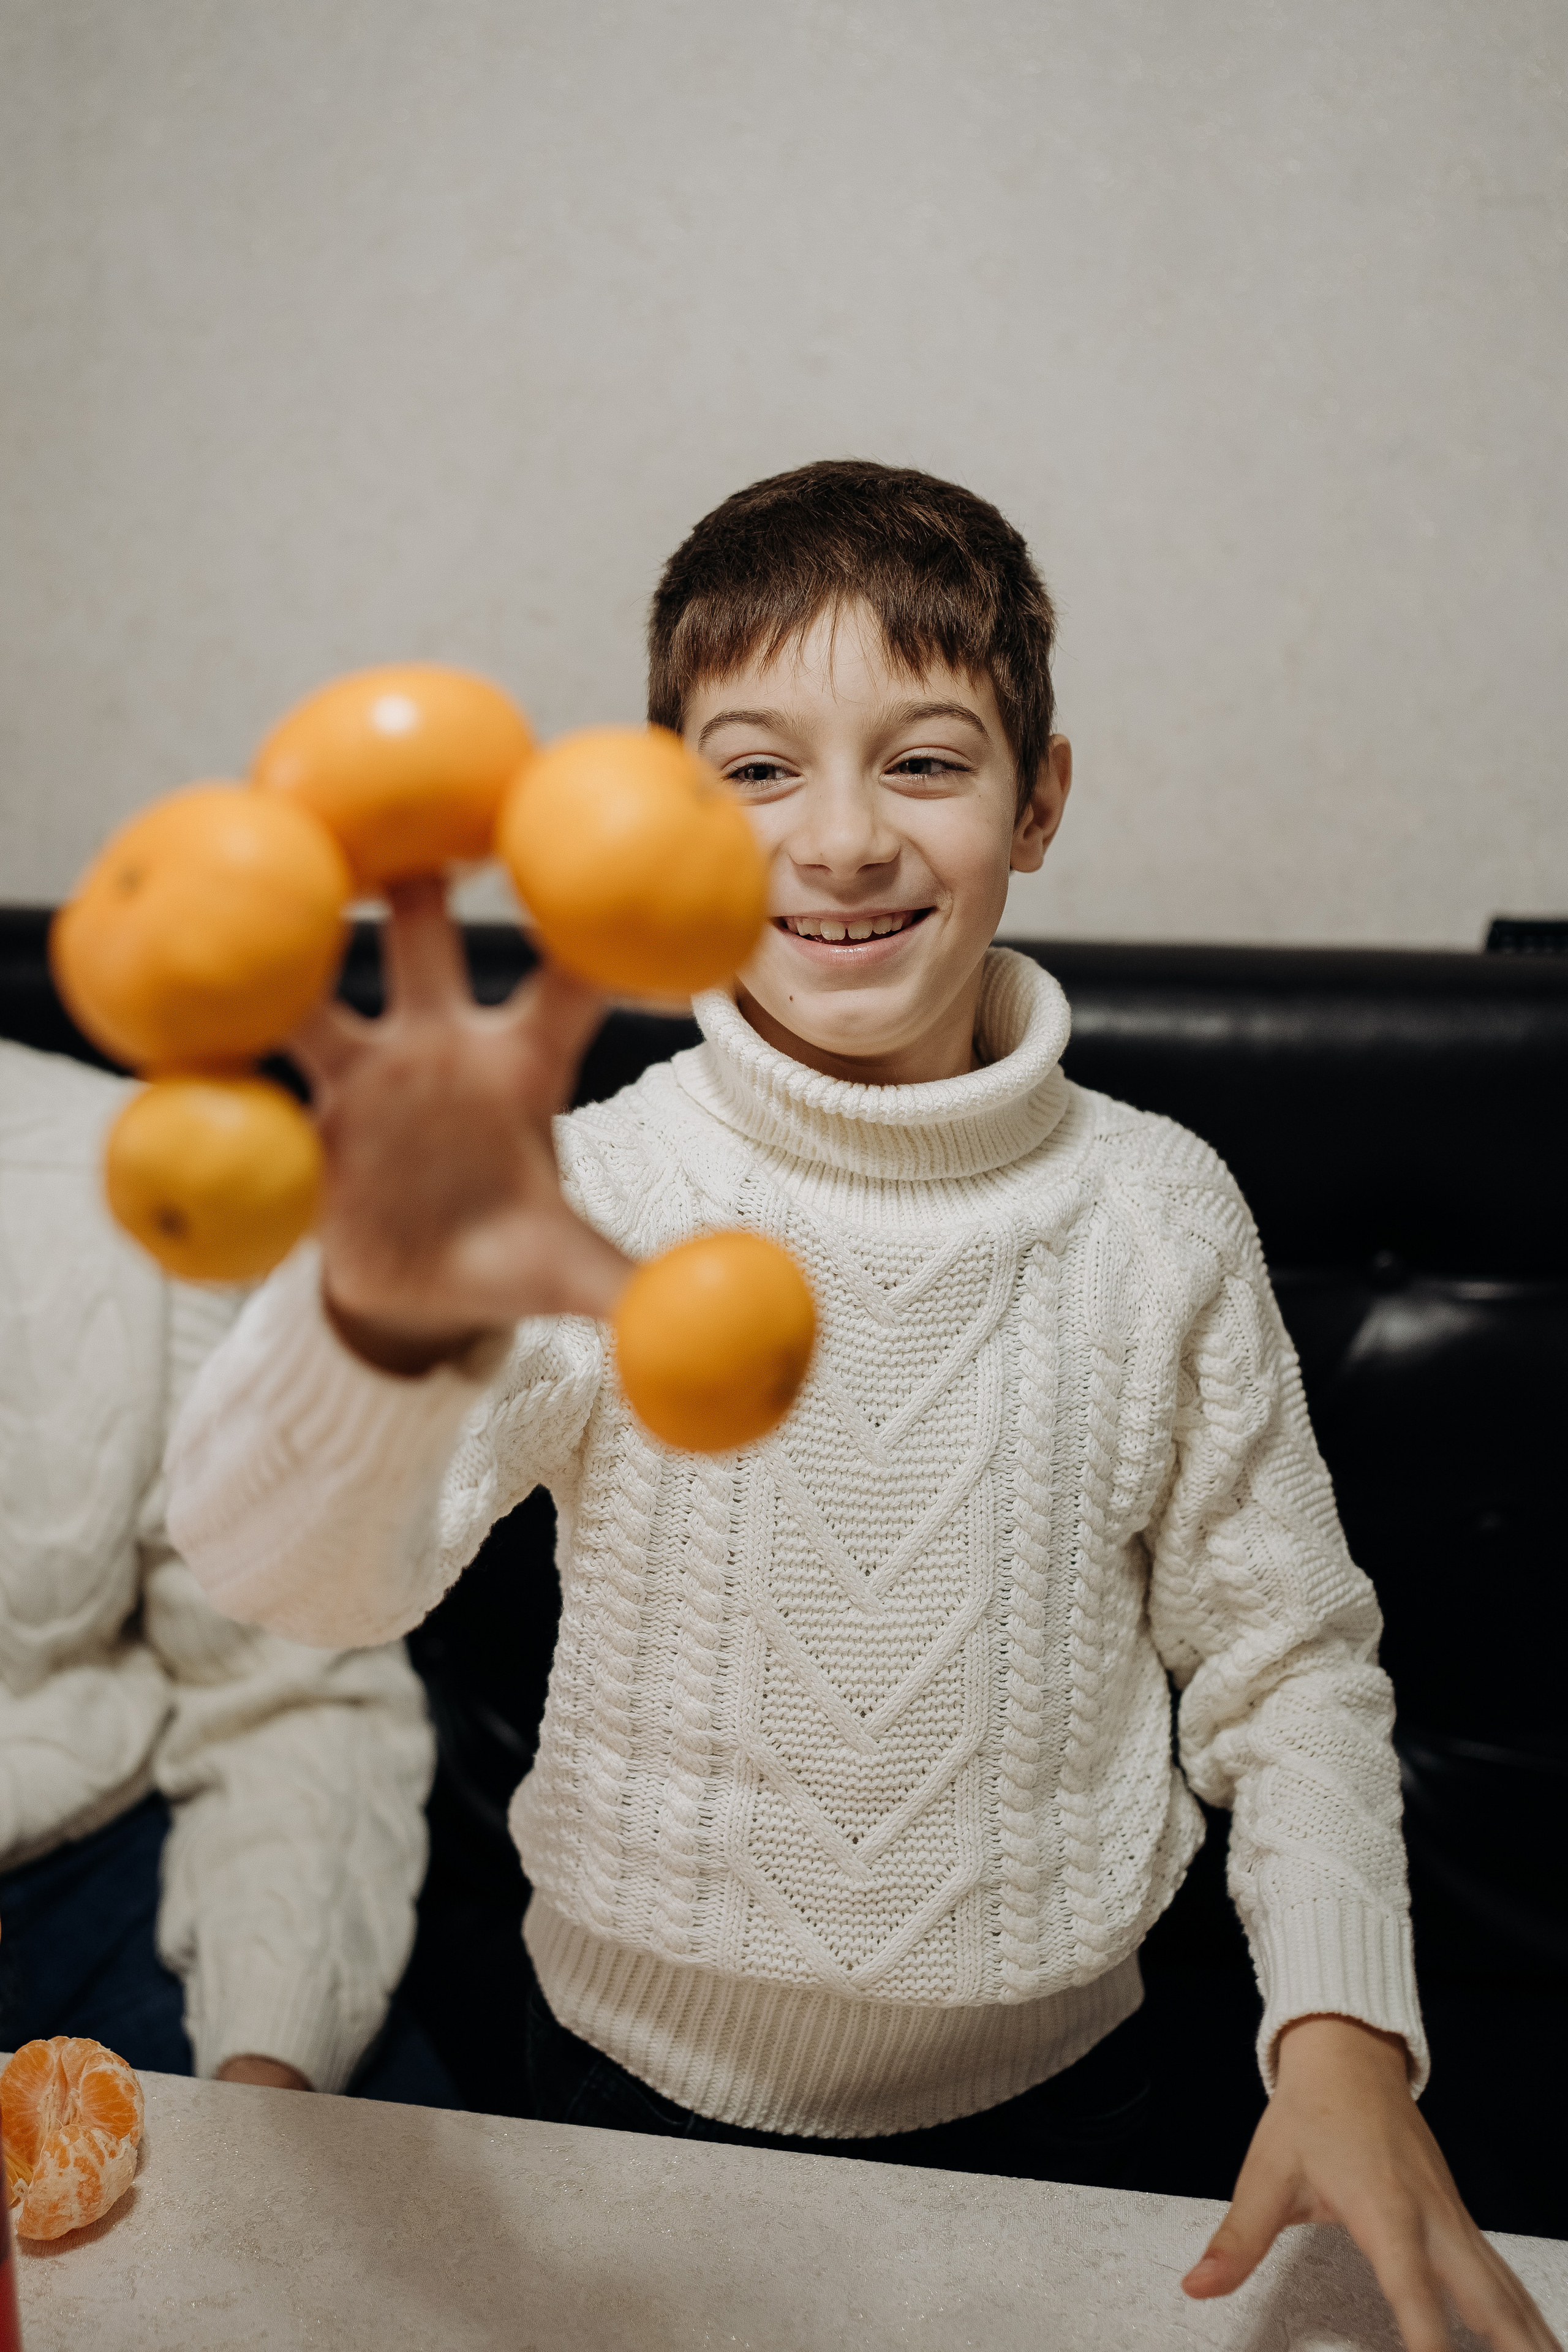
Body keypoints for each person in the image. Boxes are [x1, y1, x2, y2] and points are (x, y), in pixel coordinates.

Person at [165, 462, 1555, 2350]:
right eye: (757, 770)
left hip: (1069, 2106)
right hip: (618, 2097)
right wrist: (373, 1314)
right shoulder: (593, 1191)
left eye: (924, 762)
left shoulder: (1157, 1215)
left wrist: (1342, 2039)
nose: (839, 841)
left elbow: (1291, 1662)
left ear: (1038, 801)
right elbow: (298, 1586)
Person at [0, 1035, 443, 2101]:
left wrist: (268, 2051)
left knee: (398, 2201)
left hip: (99, 1882)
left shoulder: (148, 1183)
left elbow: (292, 1686)